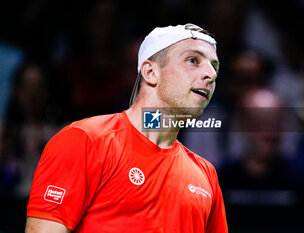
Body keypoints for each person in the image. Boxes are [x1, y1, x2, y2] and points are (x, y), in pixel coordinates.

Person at [25, 23, 228, 233]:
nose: (210, 74)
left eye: (215, 66)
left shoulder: (206, 176)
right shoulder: (85, 140)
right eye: (193, 60)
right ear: (150, 72)